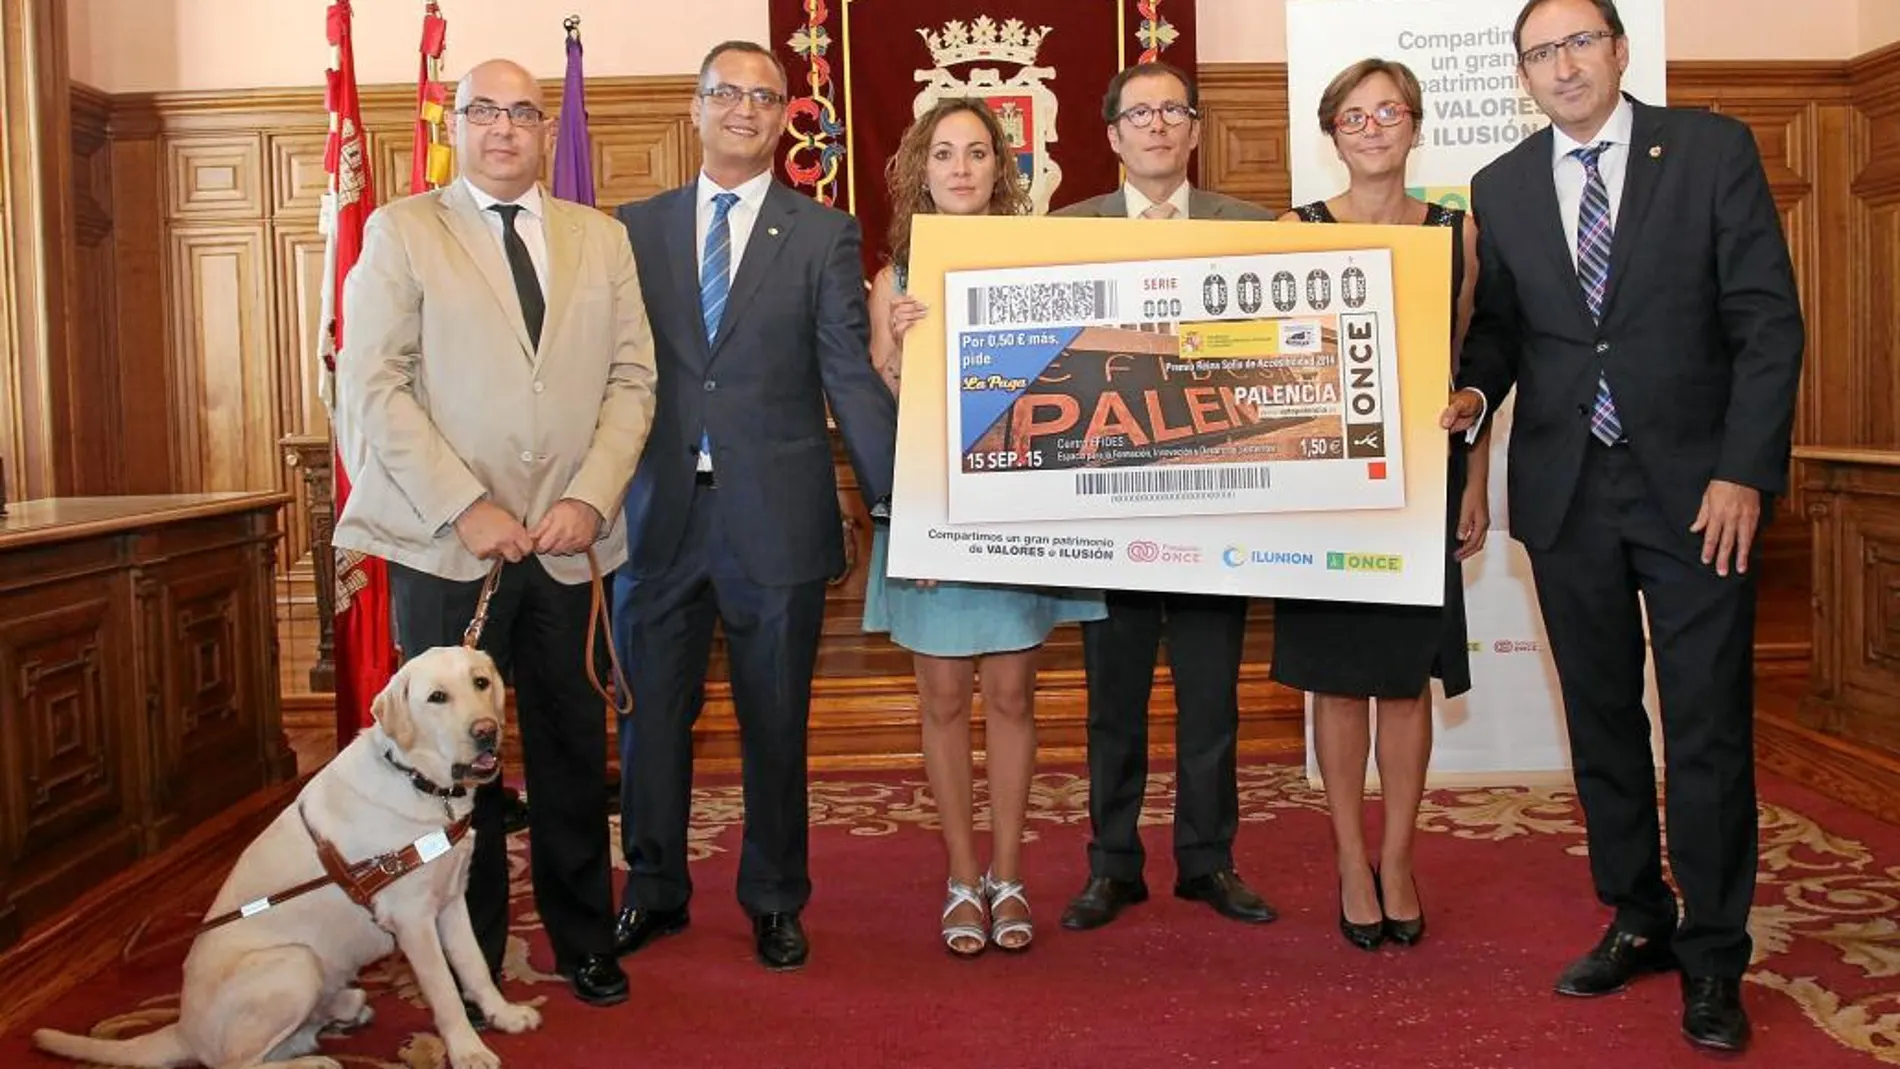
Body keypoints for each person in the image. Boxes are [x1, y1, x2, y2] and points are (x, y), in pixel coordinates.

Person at [1439, 0, 1804, 1051]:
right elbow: (1505, 328)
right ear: (1521, 72)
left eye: (1578, 42)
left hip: (1698, 494)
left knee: (1703, 725)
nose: (1561, 65)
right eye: (1540, 52)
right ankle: (1636, 914)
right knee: (1601, 720)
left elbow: (1766, 321)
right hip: (1566, 492)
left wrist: (1744, 471)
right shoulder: (1502, 185)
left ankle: (1714, 953)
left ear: (1617, 50)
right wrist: (1472, 397)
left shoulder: (1706, 148)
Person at [333, 57, 657, 1010]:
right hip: (448, 546)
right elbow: (374, 386)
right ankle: (467, 953)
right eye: (485, 111)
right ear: (454, 123)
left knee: (567, 749)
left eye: (523, 112)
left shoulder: (600, 239)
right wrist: (460, 503)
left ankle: (583, 938)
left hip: (568, 543)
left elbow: (632, 380)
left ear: (546, 126)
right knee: (450, 765)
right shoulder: (402, 232)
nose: (505, 128)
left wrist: (591, 498)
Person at [611, 40, 898, 972]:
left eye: (765, 97)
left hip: (776, 518)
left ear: (786, 119)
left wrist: (899, 499)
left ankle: (776, 896)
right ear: (694, 109)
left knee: (775, 719)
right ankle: (653, 890)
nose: (745, 109)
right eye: (726, 93)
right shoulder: (632, 230)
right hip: (656, 517)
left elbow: (849, 376)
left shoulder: (822, 234)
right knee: (651, 716)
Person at [864, 98, 1108, 957]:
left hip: (1017, 510)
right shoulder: (893, 276)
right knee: (941, 700)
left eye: (976, 153)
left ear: (1000, 169)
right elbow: (890, 409)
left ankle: (1009, 876)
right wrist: (894, 352)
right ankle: (960, 878)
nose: (960, 167)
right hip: (930, 506)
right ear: (919, 170)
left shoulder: (1038, 258)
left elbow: (1074, 381)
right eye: (944, 153)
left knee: (1010, 695)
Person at [1051, 60, 1277, 932]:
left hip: (1217, 499)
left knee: (1211, 695)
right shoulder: (1064, 232)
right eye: (1138, 114)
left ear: (1193, 131)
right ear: (1111, 135)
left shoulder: (1254, 228)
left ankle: (1207, 860)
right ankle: (1112, 864)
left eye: (1172, 112)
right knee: (1114, 702)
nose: (1156, 127)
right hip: (1107, 508)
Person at [1270, 58, 1490, 952]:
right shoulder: (1297, 228)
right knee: (1336, 681)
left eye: (1387, 111)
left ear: (1414, 124)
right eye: (1353, 117)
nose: (1371, 128)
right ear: (1332, 134)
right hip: (1324, 481)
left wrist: (1473, 476)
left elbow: (1471, 359)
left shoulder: (1457, 233)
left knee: (1404, 683)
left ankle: (1399, 859)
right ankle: (1350, 862)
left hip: (1422, 482)